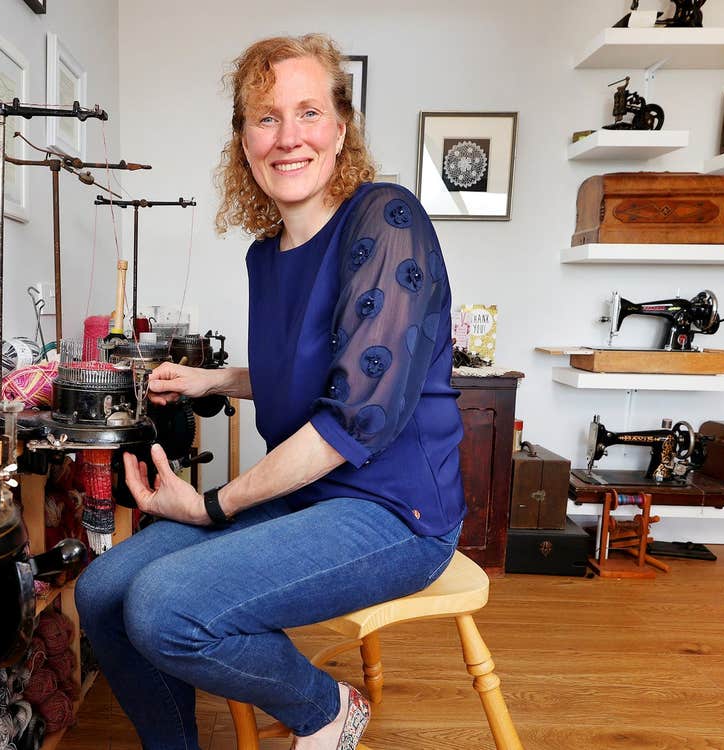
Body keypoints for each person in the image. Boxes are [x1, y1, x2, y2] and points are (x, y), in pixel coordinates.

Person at [76, 33, 465, 750]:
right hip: (310, 493)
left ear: (341, 129)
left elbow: (356, 413)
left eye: (308, 113)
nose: (289, 137)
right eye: (266, 118)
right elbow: (309, 370)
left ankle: (325, 711)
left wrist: (212, 504)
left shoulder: (387, 219)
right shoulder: (267, 256)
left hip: (396, 511)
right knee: (102, 593)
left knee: (166, 609)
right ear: (244, 141)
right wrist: (217, 379)